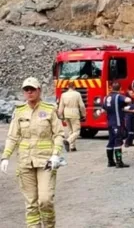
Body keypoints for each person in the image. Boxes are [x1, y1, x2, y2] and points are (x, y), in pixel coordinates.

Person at [0, 77, 64, 228]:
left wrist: (56, 154)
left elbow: (59, 134)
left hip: (46, 162)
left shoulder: (49, 109)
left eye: (32, 89)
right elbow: (12, 136)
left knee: (45, 200)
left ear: (39, 90)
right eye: (26, 90)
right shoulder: (20, 111)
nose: (29, 92)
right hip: (25, 163)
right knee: (31, 203)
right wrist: (5, 157)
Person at [102, 81, 131, 168]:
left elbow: (103, 109)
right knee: (118, 141)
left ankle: (110, 161)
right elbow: (128, 100)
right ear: (120, 88)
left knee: (111, 141)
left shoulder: (106, 97)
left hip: (110, 123)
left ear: (111, 88)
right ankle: (119, 162)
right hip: (117, 123)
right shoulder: (118, 96)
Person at [57, 80, 86, 152]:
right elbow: (82, 106)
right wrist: (83, 114)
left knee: (70, 131)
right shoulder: (77, 94)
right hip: (74, 113)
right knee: (77, 131)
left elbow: (61, 106)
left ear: (67, 87)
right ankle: (68, 141)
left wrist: (59, 115)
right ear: (74, 86)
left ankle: (72, 147)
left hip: (66, 114)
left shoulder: (63, 95)